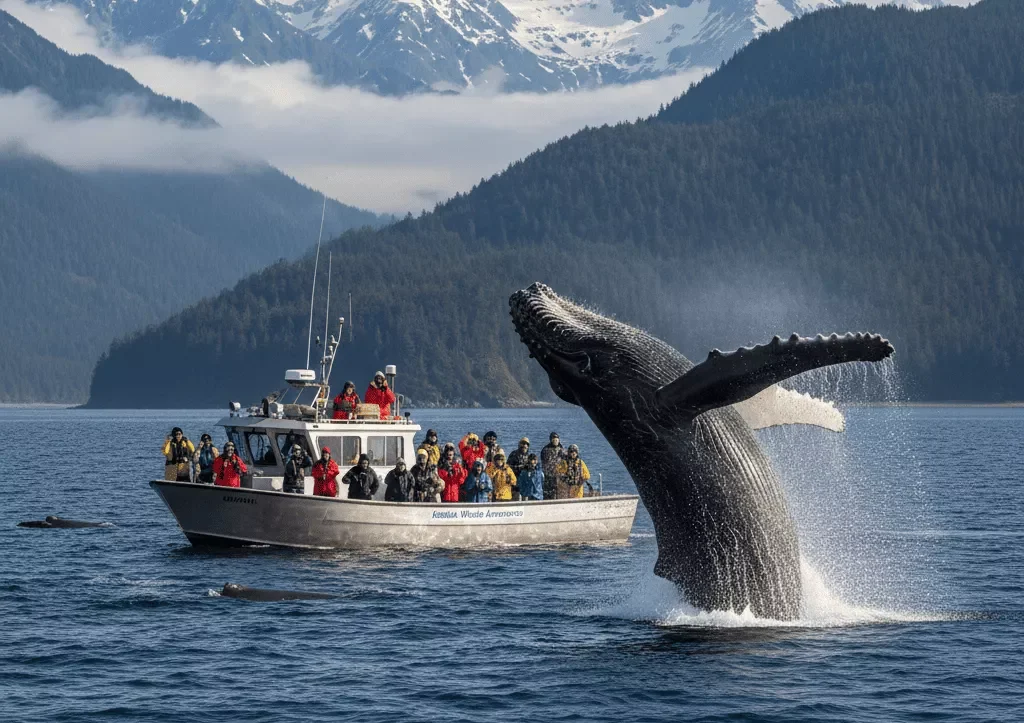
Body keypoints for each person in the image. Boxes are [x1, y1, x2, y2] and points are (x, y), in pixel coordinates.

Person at [540, 432, 565, 500]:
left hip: (559, 476)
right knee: (548, 495)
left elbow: (565, 461)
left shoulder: (561, 449)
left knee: (559, 495)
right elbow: (543, 461)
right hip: (548, 476)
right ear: (551, 440)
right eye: (554, 439)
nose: (555, 440)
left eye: (557, 439)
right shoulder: (545, 449)